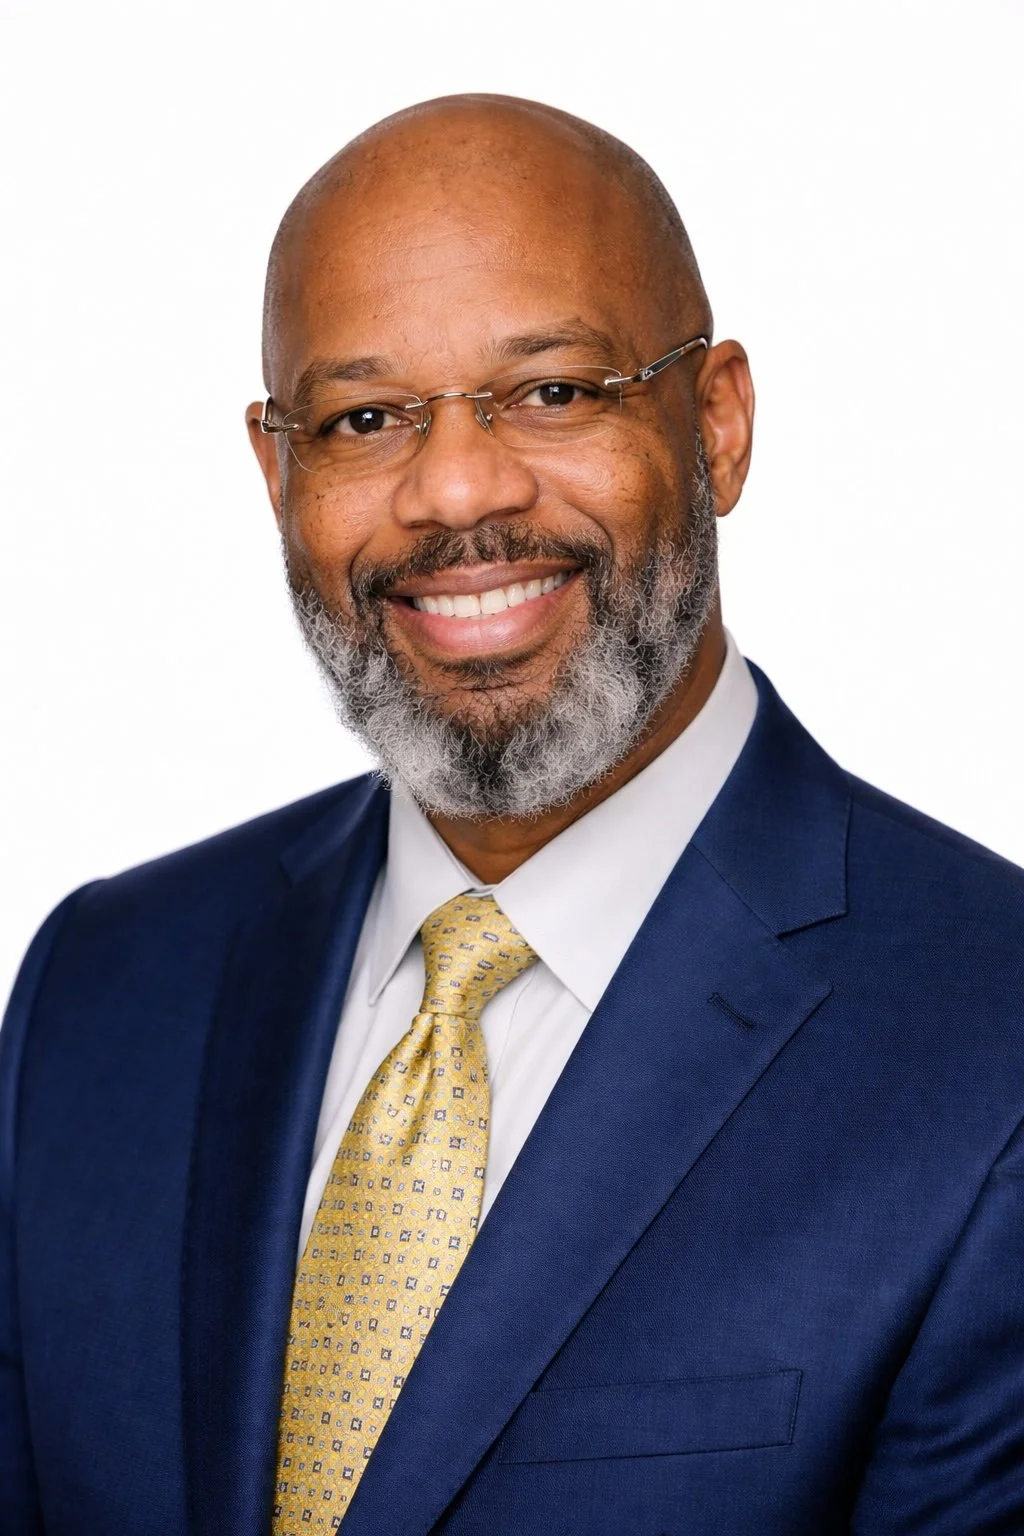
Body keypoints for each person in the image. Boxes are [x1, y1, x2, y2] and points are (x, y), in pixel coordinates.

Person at [2, 92, 1023, 1536]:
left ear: (717, 422)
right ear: (278, 471)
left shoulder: (993, 1045)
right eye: (365, 418)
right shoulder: (102, 994)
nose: (457, 489)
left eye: (554, 391)